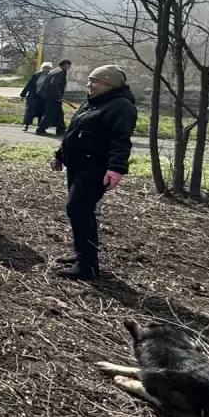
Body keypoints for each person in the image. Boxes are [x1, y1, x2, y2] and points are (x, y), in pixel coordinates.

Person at [50, 64, 137, 280]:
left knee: (78, 209)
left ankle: (87, 266)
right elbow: (73, 132)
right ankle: (83, 254)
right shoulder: (92, 102)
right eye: (90, 80)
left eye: (96, 81)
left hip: (94, 168)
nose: (90, 85)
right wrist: (60, 155)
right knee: (80, 211)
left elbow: (121, 140)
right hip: (78, 165)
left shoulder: (121, 107)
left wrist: (116, 169)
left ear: (110, 84)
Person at [36, 59, 72, 136]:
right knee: (50, 114)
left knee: (59, 114)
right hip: (53, 97)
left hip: (49, 96)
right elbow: (53, 85)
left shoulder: (54, 71)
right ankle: (40, 129)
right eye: (69, 65)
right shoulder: (60, 72)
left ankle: (61, 130)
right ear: (65, 65)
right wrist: (58, 97)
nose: (70, 67)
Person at [20, 61, 52, 131]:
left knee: (41, 112)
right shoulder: (36, 75)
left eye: (48, 68)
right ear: (42, 68)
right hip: (33, 96)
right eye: (44, 68)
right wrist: (23, 94)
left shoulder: (51, 77)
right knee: (29, 111)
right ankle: (26, 125)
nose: (46, 69)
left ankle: (40, 128)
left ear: (50, 69)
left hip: (43, 97)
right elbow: (29, 85)